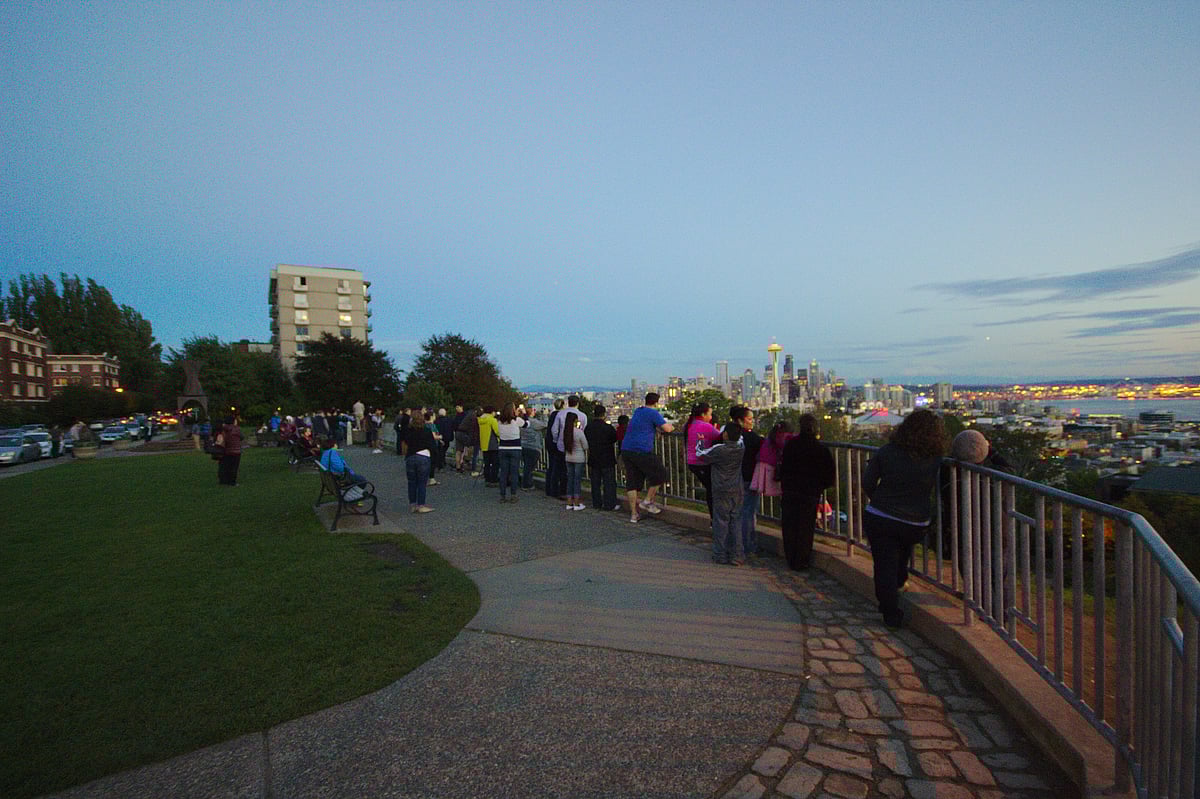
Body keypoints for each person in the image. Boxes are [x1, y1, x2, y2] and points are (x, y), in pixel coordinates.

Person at [862, 408, 949, 629]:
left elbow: (867, 483)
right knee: (900, 555)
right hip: (915, 522)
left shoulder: (887, 451)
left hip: (881, 517)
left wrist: (880, 501)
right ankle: (899, 582)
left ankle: (890, 611)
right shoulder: (936, 459)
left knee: (884, 564)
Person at [777, 413, 836, 571]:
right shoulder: (821, 449)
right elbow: (829, 474)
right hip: (810, 492)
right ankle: (802, 560)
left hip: (790, 490)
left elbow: (783, 467)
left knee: (789, 525)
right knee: (806, 526)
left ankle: (791, 557)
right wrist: (820, 486)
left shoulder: (791, 445)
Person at [696, 423, 746, 564]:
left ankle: (720, 554)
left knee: (721, 522)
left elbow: (700, 454)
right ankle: (737, 555)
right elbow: (740, 437)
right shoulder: (741, 448)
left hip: (721, 489)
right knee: (736, 521)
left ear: (725, 435)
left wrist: (700, 440)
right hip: (737, 488)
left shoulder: (719, 450)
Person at [620, 392, 675, 523]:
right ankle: (648, 501)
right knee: (661, 474)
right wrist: (671, 427)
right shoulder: (653, 412)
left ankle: (634, 514)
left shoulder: (638, 411)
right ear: (656, 403)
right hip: (641, 449)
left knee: (632, 481)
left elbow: (643, 426)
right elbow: (667, 428)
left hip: (627, 449)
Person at [730, 406, 763, 557]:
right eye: (749, 419)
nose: (752, 422)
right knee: (748, 512)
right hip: (748, 478)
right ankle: (747, 545)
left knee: (735, 511)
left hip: (732, 477)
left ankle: (733, 544)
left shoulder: (729, 436)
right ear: (740, 421)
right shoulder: (753, 438)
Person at [683, 402, 723, 519]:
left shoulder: (689, 425)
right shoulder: (706, 426)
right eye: (709, 414)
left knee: (710, 489)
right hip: (702, 463)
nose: (710, 417)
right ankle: (714, 518)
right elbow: (721, 437)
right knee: (713, 490)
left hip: (692, 462)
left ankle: (714, 518)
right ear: (703, 414)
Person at [401, 412, 438, 513]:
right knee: (422, 483)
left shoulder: (408, 431)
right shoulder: (426, 431)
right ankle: (421, 505)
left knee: (412, 482)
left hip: (410, 457)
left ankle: (412, 504)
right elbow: (432, 446)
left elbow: (405, 442)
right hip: (423, 456)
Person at [585, 405, 619, 510]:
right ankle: (609, 504)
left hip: (594, 457)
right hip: (607, 457)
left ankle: (597, 503)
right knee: (609, 482)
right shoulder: (607, 427)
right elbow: (614, 438)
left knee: (595, 483)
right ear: (604, 414)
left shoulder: (589, 427)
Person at [750, 420, 790, 499]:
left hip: (761, 466)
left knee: (755, 495)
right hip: (770, 467)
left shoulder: (770, 437)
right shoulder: (782, 437)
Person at [496, 403, 526, 502]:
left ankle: (502, 495)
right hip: (515, 448)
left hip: (503, 448)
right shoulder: (516, 420)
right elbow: (527, 424)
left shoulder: (499, 421)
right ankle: (513, 495)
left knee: (503, 473)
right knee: (514, 473)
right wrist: (523, 413)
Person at [562, 412, 588, 510]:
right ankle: (577, 503)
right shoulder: (578, 432)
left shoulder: (565, 432)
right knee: (577, 480)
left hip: (568, 457)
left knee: (570, 479)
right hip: (578, 458)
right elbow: (585, 446)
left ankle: (569, 502)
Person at [520, 408, 546, 491]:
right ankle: (527, 485)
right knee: (529, 468)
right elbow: (545, 424)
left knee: (527, 466)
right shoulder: (533, 422)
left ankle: (526, 483)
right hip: (533, 446)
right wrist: (544, 415)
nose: (535, 411)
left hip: (523, 445)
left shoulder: (522, 422)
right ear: (531, 413)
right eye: (534, 410)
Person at [544, 398, 566, 498]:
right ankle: (556, 490)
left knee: (552, 466)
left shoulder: (552, 415)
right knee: (558, 468)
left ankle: (549, 488)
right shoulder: (560, 415)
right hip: (555, 444)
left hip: (549, 443)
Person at [216, 414, 244, 486]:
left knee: (227, 466)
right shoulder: (237, 429)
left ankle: (225, 480)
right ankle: (232, 482)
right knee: (234, 467)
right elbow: (242, 437)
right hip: (236, 450)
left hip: (226, 450)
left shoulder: (223, 429)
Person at [477, 406, 500, 485]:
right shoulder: (492, 420)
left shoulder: (480, 420)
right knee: (495, 463)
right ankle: (493, 479)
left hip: (484, 444)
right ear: (492, 412)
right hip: (493, 444)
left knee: (487, 463)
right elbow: (497, 432)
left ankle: (487, 479)